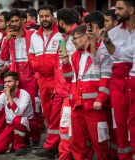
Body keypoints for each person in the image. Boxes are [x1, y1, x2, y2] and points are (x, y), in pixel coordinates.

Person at [62, 25, 112, 160]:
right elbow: (69, 79)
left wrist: (100, 99)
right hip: (77, 106)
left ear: (85, 37)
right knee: (78, 144)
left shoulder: (101, 54)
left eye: (75, 39)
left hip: (94, 107)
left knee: (100, 143)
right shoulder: (75, 55)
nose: (73, 42)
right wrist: (65, 63)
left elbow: (106, 78)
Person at [93, 1, 135, 159]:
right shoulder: (114, 32)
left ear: (131, 9)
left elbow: (124, 55)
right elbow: (99, 59)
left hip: (131, 80)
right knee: (120, 124)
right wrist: (96, 42)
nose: (116, 12)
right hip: (118, 83)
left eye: (120, 8)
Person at [0, 9, 41, 147]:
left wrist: (35, 76)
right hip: (15, 77)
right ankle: (22, 138)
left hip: (30, 77)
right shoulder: (7, 38)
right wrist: (6, 41)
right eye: (11, 21)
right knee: (16, 108)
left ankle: (35, 139)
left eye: (17, 20)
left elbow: (37, 56)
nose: (14, 23)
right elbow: (4, 58)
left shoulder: (32, 35)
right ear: (8, 23)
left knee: (33, 110)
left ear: (23, 21)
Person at [28, 5, 63, 159]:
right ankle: (55, 145)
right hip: (42, 80)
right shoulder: (35, 36)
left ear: (53, 17)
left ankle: (54, 147)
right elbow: (31, 56)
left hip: (57, 80)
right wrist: (37, 66)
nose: (44, 19)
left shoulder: (61, 35)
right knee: (48, 115)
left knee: (58, 115)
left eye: (47, 16)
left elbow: (62, 58)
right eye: (41, 17)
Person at [0, 72, 38, 156]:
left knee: (18, 119)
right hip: (10, 125)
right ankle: (16, 143)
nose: (6, 84)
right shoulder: (3, 95)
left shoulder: (24, 94)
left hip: (27, 125)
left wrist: (9, 97)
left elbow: (19, 112)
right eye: (5, 82)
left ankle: (19, 147)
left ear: (16, 83)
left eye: (9, 81)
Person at [56, 8, 79, 160]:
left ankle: (66, 156)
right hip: (68, 88)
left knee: (67, 127)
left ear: (61, 22)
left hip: (72, 89)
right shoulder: (68, 37)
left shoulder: (75, 37)